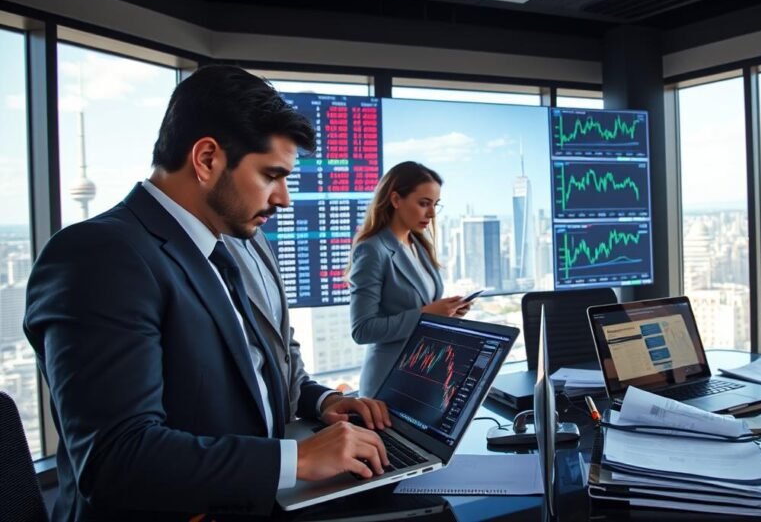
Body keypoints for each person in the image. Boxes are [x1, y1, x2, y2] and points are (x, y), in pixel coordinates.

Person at [24, 65, 390, 522]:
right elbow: (116, 459)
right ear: (207, 159)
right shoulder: (99, 254)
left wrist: (319, 403)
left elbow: (247, 375)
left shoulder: (213, 247)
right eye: (271, 175)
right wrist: (296, 460)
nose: (284, 199)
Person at [223, 231, 389, 426]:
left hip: (284, 441)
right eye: (422, 203)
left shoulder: (257, 239)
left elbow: (282, 351)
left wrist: (325, 400)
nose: (283, 201)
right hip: (244, 449)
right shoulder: (193, 254)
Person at [348, 162, 472, 395]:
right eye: (424, 203)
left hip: (424, 376)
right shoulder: (372, 250)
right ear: (396, 200)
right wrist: (426, 315)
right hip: (388, 383)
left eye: (435, 205)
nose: (432, 213)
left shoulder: (419, 245)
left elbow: (420, 305)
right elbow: (362, 330)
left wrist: (449, 311)